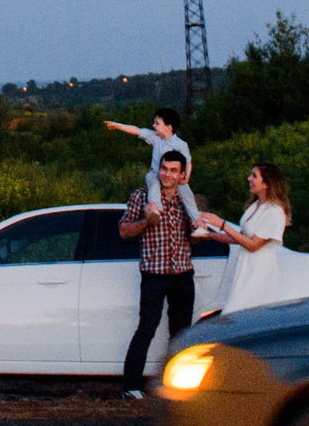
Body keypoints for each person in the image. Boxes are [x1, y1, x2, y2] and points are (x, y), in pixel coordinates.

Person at [120, 149, 196, 398]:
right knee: (147, 328)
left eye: (173, 170)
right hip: (154, 274)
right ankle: (131, 387)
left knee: (181, 332)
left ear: (182, 174)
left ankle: (175, 387)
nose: (167, 174)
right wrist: (146, 222)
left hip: (182, 274)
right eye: (164, 168)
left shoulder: (187, 200)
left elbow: (198, 233)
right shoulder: (141, 197)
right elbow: (123, 231)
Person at [196, 161, 293, 317]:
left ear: (266, 184)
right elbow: (239, 238)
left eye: (254, 176)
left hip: (258, 274)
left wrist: (221, 224)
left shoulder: (273, 212)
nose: (249, 179)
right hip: (245, 271)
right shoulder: (256, 206)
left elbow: (253, 245)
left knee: (239, 316)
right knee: (238, 317)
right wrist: (208, 235)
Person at [103, 106, 201, 233]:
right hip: (156, 173)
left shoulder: (181, 144)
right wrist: (117, 125)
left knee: (187, 195)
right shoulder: (155, 138)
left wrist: (186, 177)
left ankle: (197, 223)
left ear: (168, 127)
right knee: (153, 182)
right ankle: (156, 210)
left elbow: (188, 161)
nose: (154, 126)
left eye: (157, 123)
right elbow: (136, 130)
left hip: (174, 178)